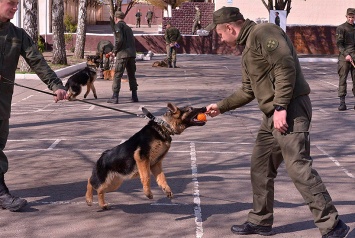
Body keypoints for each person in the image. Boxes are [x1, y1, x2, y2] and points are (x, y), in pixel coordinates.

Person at [204, 7, 349, 238]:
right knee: (260, 166)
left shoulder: (264, 33)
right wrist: (221, 106)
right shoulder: (248, 47)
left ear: (230, 27)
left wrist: (281, 106)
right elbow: (248, 90)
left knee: (298, 168)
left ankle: (332, 225)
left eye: (220, 33)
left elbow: (285, 67)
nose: (219, 37)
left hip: (290, 109)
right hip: (272, 115)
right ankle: (260, 220)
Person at [0, 0, 67, 211]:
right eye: (11, 3)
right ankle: (1, 193)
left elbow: (37, 61)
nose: (15, 8)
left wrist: (56, 85)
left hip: (2, 102)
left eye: (17, 4)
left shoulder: (17, 34)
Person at [107, 11, 138, 104]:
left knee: (117, 75)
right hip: (132, 54)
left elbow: (119, 40)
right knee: (131, 75)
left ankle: (115, 96)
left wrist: (114, 51)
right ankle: (134, 96)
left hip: (123, 54)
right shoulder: (129, 28)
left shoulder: (118, 26)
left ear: (116, 18)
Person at [336, 8, 355, 111]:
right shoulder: (341, 28)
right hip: (344, 58)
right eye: (349, 17)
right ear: (346, 17)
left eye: (352, 17)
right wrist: (346, 54)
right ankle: (342, 103)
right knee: (343, 80)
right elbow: (339, 44)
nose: (351, 19)